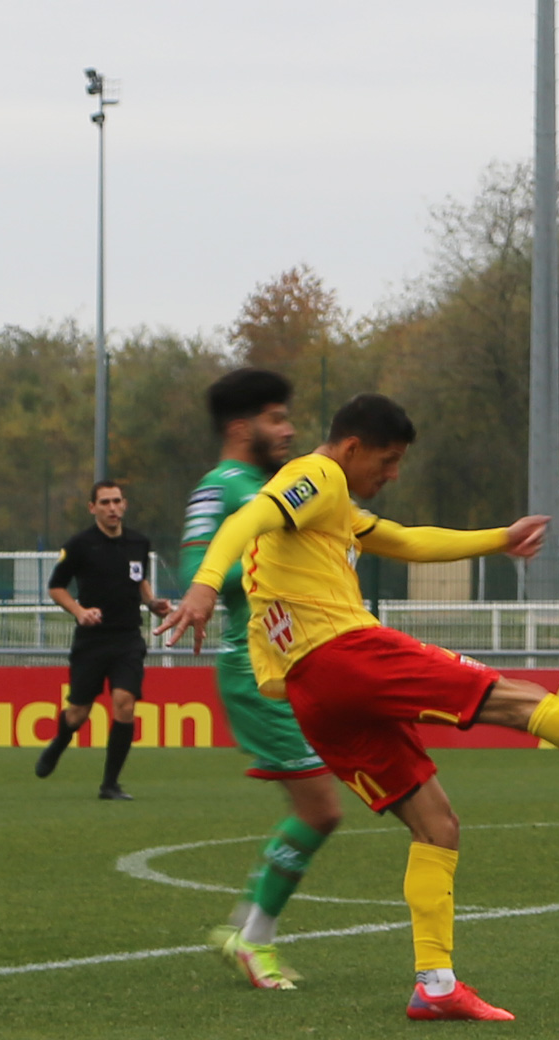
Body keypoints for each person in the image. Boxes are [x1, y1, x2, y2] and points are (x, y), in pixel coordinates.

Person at [158, 391, 559, 1021]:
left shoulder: (335, 507)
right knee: (519, 701)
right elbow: (243, 522)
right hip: (344, 653)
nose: (391, 476)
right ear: (353, 447)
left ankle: (435, 984)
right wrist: (199, 588)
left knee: (437, 825)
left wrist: (500, 538)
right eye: (386, 462)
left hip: (313, 694)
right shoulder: (318, 474)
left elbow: (407, 541)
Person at [179, 369, 346, 990]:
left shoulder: (271, 487)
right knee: (321, 809)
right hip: (256, 667)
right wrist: (264, 548)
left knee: (323, 807)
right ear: (240, 427)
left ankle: (245, 926)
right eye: (277, 419)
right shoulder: (220, 489)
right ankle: (255, 938)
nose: (290, 429)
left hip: (295, 662)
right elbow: (198, 568)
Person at [35, 480, 170, 799]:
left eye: (117, 501)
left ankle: (110, 784)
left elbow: (139, 580)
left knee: (124, 704)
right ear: (92, 507)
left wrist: (152, 603)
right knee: (78, 713)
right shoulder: (80, 544)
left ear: (125, 504)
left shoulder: (139, 542)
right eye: (105, 502)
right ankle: (59, 742)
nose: (112, 508)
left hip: (127, 638)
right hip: (92, 641)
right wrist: (79, 611)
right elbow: (56, 587)